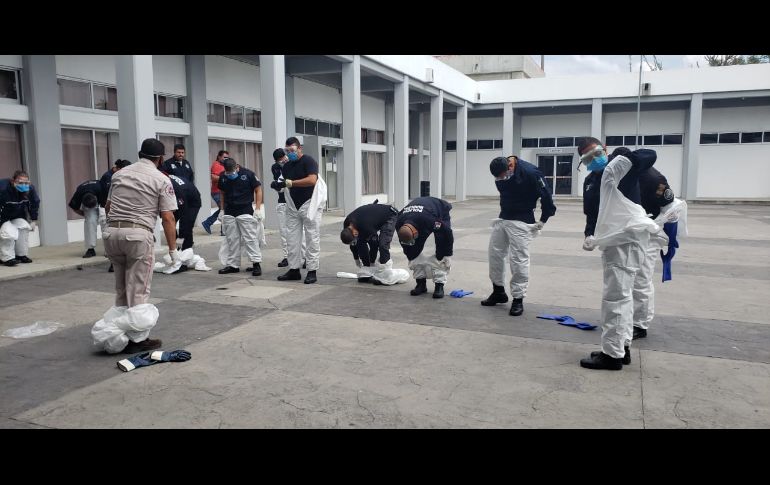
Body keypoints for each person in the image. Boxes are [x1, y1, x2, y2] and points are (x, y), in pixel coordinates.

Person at [576, 138, 659, 370]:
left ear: (605, 150)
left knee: (615, 298)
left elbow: (650, 154)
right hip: (611, 243)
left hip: (626, 241)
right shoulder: (591, 181)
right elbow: (592, 213)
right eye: (586, 159)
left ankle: (611, 355)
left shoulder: (622, 170)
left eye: (595, 154)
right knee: (622, 297)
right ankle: (622, 348)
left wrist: (626, 157)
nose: (593, 160)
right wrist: (589, 234)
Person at [103, 138, 178, 353]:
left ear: (140, 153)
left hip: (111, 233)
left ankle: (116, 333)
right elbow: (167, 217)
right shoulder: (161, 179)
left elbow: (108, 206)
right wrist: (173, 250)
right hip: (137, 234)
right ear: (160, 158)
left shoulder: (119, 174)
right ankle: (137, 338)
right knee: (138, 288)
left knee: (120, 287)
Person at [481, 155, 556, 316]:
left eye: (502, 175)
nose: (501, 179)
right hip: (503, 218)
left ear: (510, 166)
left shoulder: (531, 173)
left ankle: (518, 299)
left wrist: (543, 220)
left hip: (522, 221)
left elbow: (547, 197)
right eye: (498, 177)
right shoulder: (501, 173)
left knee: (518, 260)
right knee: (494, 255)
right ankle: (498, 291)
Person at [631, 166, 677, 340]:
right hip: (635, 229)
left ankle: (640, 324)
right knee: (633, 276)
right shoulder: (627, 175)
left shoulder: (652, 179)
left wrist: (668, 236)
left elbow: (671, 208)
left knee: (642, 277)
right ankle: (632, 316)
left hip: (652, 231)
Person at [273, 137, 325, 284]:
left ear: (299, 148)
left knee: (311, 237)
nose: (290, 153)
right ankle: (294, 269)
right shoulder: (287, 166)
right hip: (293, 206)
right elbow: (284, 182)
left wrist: (291, 183)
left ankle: (312, 270)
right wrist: (278, 185)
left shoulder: (308, 161)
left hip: (310, 204)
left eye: (292, 150)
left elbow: (312, 180)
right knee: (292, 239)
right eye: (287, 151)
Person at [395, 196, 454, 298]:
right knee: (413, 255)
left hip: (439, 209)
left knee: (441, 255)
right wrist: (411, 256)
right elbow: (406, 245)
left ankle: (439, 285)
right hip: (418, 215)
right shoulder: (399, 222)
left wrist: (446, 255)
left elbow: (446, 235)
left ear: (415, 232)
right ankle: (420, 284)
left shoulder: (431, 220)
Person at [217, 158, 264, 276]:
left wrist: (258, 208)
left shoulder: (248, 174)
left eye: (232, 173)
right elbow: (222, 193)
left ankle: (256, 263)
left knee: (250, 238)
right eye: (228, 173)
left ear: (237, 167)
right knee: (232, 240)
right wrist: (221, 210)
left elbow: (258, 190)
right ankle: (233, 265)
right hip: (229, 211)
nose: (230, 175)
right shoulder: (223, 176)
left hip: (245, 209)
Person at [340, 201, 399, 283]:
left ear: (354, 232)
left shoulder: (366, 227)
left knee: (383, 244)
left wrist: (372, 263)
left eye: (354, 237)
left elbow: (374, 245)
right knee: (359, 242)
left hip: (389, 214)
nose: (354, 241)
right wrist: (356, 259)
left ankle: (386, 274)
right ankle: (366, 268)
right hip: (370, 217)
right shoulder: (347, 225)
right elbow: (353, 244)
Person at [272, 148, 307, 268]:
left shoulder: (297, 164)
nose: (283, 161)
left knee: (300, 232)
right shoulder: (276, 167)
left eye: (284, 158)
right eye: (280, 160)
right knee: (284, 231)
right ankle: (287, 256)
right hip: (283, 201)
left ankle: (305, 257)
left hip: (295, 202)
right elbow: (280, 183)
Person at [0, 171, 40, 266]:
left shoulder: (29, 189)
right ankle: (7, 258)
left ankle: (21, 255)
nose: (24, 185)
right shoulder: (3, 189)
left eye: (26, 183)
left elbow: (34, 204)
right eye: (20, 183)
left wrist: (33, 220)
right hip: (2, 216)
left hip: (16, 215)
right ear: (13, 181)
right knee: (8, 233)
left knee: (24, 227)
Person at [68, 179, 108, 258]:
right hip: (88, 200)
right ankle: (90, 249)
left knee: (105, 222)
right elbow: (74, 207)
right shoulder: (79, 193)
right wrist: (84, 214)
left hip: (102, 200)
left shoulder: (101, 188)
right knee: (90, 221)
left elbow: (107, 203)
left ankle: (109, 249)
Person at [167, 173, 201, 252]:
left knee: (185, 227)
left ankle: (185, 252)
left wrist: (180, 239)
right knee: (167, 222)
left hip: (192, 202)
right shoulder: (164, 180)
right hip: (180, 199)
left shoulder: (176, 189)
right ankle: (176, 246)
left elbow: (184, 213)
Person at [202, 150, 228, 235]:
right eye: (224, 157)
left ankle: (208, 223)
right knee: (224, 209)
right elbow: (213, 177)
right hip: (217, 192)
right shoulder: (216, 165)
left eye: (227, 157)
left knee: (223, 209)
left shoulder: (224, 165)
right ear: (219, 157)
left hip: (222, 192)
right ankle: (222, 230)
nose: (226, 159)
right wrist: (225, 177)